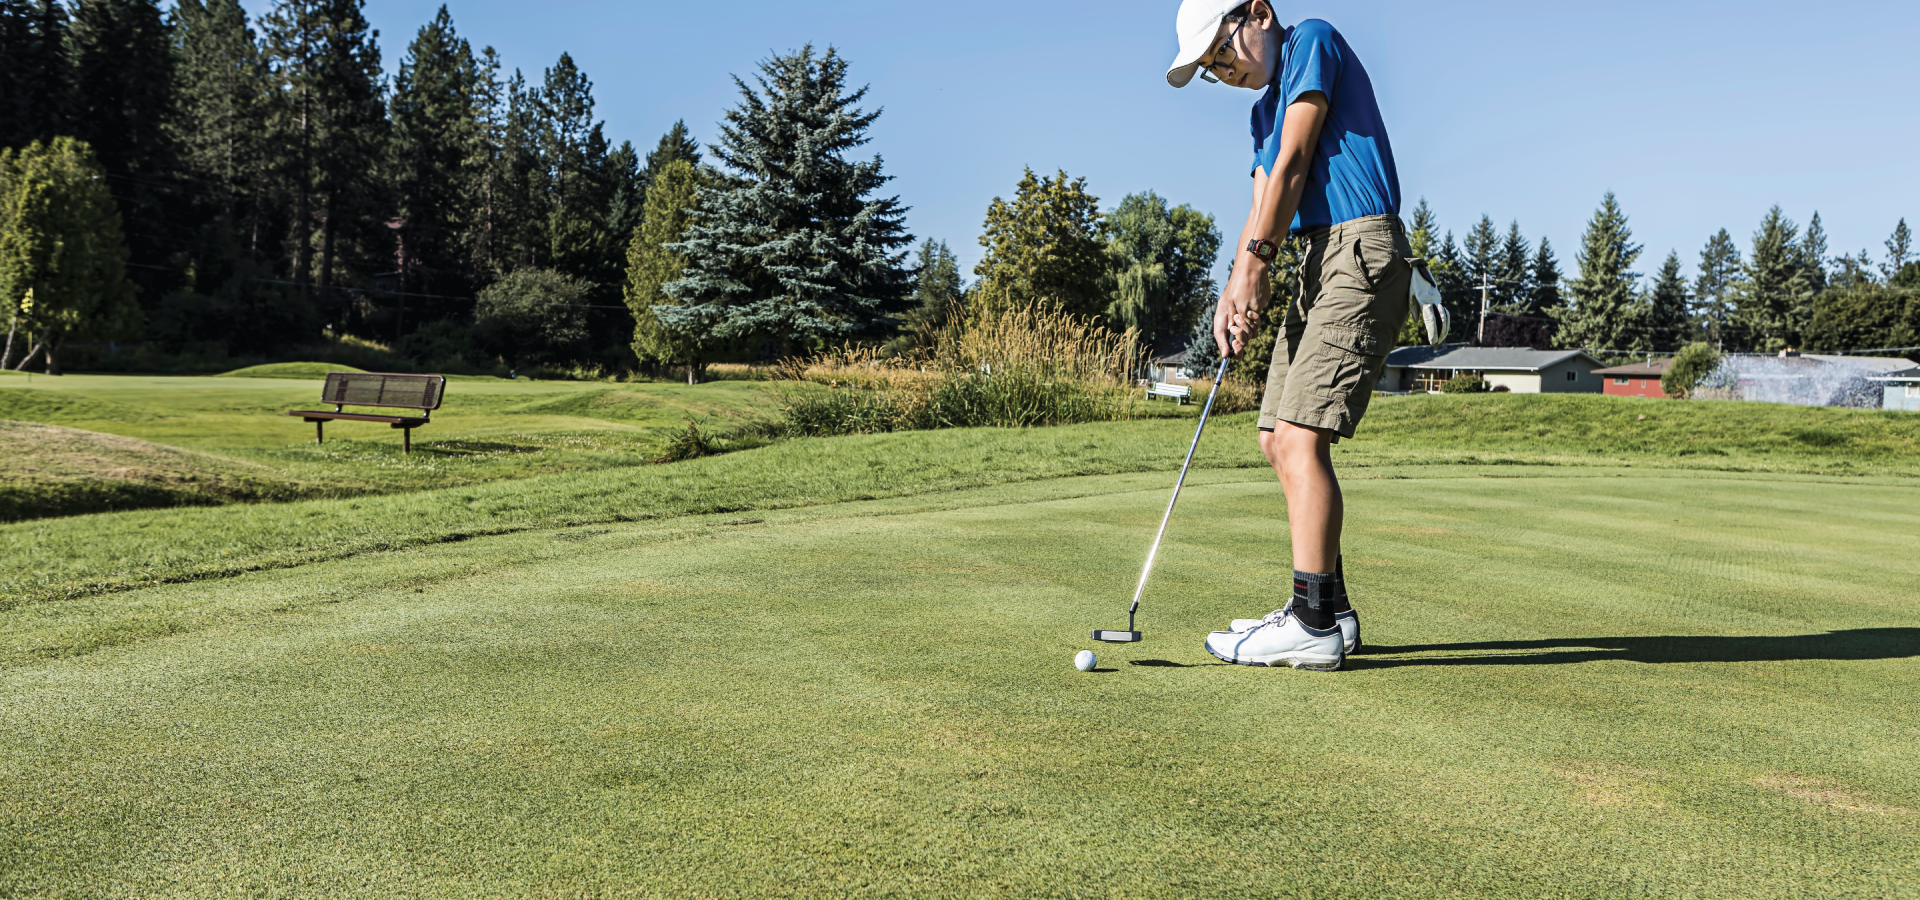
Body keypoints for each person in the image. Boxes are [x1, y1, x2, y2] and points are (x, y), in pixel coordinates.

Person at [1165, 0, 1410, 670]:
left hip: (1360, 250)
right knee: (1277, 437)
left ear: (1259, 13)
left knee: (1303, 437)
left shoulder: (1314, 44)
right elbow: (1264, 194)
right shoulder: (1259, 112)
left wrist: (1258, 263)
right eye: (1213, 67)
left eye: (1222, 51)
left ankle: (1310, 624)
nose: (1224, 70)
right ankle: (1331, 608)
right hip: (1310, 258)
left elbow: (1297, 159)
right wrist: (1236, 287)